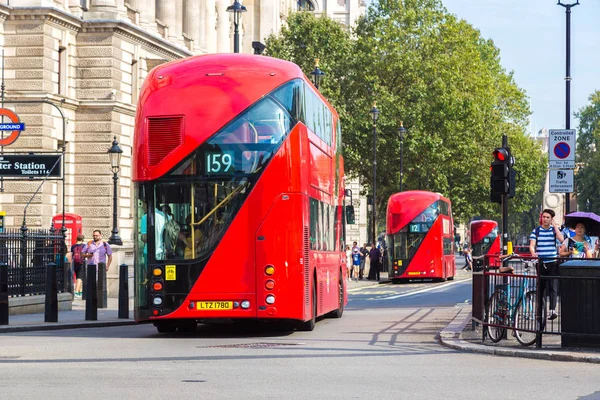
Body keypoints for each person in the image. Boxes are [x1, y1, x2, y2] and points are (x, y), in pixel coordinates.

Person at [529, 208, 565, 321]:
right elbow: (532, 245)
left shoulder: (554, 231)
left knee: (553, 287)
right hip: (541, 263)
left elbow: (562, 239)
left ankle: (552, 310)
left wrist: (555, 227)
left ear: (551, 219)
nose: (545, 219)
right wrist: (533, 252)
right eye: (543, 217)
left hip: (552, 262)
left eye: (547, 217)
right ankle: (539, 313)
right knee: (541, 288)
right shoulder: (536, 231)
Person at [67, 234, 86, 298]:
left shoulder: (73, 246)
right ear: (83, 240)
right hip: (81, 262)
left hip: (75, 263)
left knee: (77, 276)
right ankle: (76, 291)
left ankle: (80, 291)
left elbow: (72, 254)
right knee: (80, 277)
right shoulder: (84, 246)